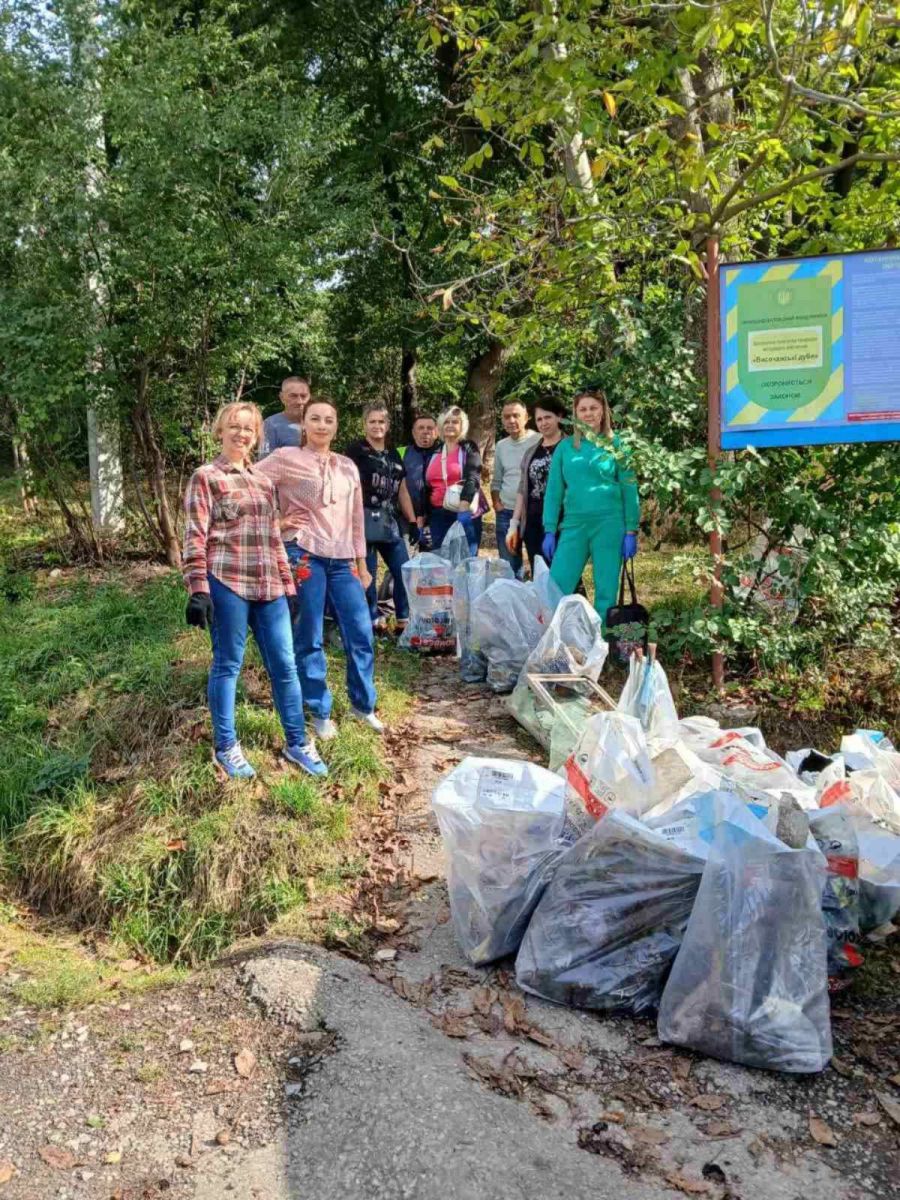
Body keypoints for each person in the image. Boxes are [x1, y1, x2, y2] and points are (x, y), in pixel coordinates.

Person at [182, 401, 327, 780]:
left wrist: (289, 585)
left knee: (284, 664)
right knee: (228, 664)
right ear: (220, 430)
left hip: (269, 585)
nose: (241, 433)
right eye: (234, 426)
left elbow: (273, 538)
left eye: (248, 428)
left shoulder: (263, 481)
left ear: (256, 434)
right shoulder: (206, 477)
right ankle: (226, 746)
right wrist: (198, 588)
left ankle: (297, 742)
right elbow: (195, 536)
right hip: (226, 581)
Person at [256, 399, 384, 739]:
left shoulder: (346, 466)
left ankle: (362, 705)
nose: (322, 425)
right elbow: (248, 483)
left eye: (329, 419)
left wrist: (362, 562)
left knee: (360, 631)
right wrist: (278, 521)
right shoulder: (286, 458)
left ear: (337, 425)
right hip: (304, 553)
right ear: (304, 423)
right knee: (309, 634)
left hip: (343, 559)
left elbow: (357, 517)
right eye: (315, 419)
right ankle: (319, 710)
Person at [541, 388, 639, 622]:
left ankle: (602, 647)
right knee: (556, 584)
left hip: (609, 524)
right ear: (575, 414)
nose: (588, 414)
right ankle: (548, 642)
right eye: (582, 409)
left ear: (603, 411)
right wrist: (549, 529)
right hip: (574, 524)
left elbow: (629, 489)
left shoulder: (618, 446)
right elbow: (554, 492)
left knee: (605, 589)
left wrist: (631, 530)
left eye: (593, 408)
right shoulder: (565, 448)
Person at [345, 404, 418, 636]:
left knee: (404, 570)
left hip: (389, 521)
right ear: (365, 424)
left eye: (381, 422)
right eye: (372, 421)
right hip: (362, 519)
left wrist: (413, 521)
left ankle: (403, 621)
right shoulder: (356, 451)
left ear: (388, 426)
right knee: (368, 572)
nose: (377, 426)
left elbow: (402, 489)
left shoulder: (394, 454)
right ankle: (372, 622)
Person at [504, 396, 566, 572]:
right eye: (539, 419)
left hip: (564, 522)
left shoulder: (571, 447)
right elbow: (522, 489)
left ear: (559, 417)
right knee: (540, 573)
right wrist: (514, 524)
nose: (543, 423)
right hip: (533, 521)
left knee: (565, 575)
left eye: (548, 417)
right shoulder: (532, 452)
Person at [416, 405, 487, 556]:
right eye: (446, 422)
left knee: (466, 561)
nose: (450, 425)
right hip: (438, 515)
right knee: (442, 562)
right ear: (441, 425)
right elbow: (425, 486)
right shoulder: (435, 451)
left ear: (462, 425)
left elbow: (473, 477)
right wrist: (422, 518)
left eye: (455, 422)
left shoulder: (468, 448)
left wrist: (464, 508)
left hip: (463, 512)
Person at [491, 399, 539, 575]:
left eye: (516, 416)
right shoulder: (501, 446)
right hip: (506, 512)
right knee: (509, 565)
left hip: (533, 512)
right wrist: (497, 503)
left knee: (539, 562)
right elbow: (496, 479)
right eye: (506, 417)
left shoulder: (538, 440)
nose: (511, 420)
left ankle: (541, 601)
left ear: (526, 417)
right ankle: (514, 600)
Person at [400, 413, 438, 547]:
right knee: (407, 564)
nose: (425, 431)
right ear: (413, 432)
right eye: (421, 428)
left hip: (437, 520)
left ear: (437, 432)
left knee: (435, 565)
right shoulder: (401, 453)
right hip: (407, 520)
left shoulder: (444, 453)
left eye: (430, 428)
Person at [260, 376, 310, 457]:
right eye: (293, 396)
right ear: (282, 397)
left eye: (303, 396)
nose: (299, 401)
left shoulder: (317, 423)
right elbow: (264, 461)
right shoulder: (270, 425)